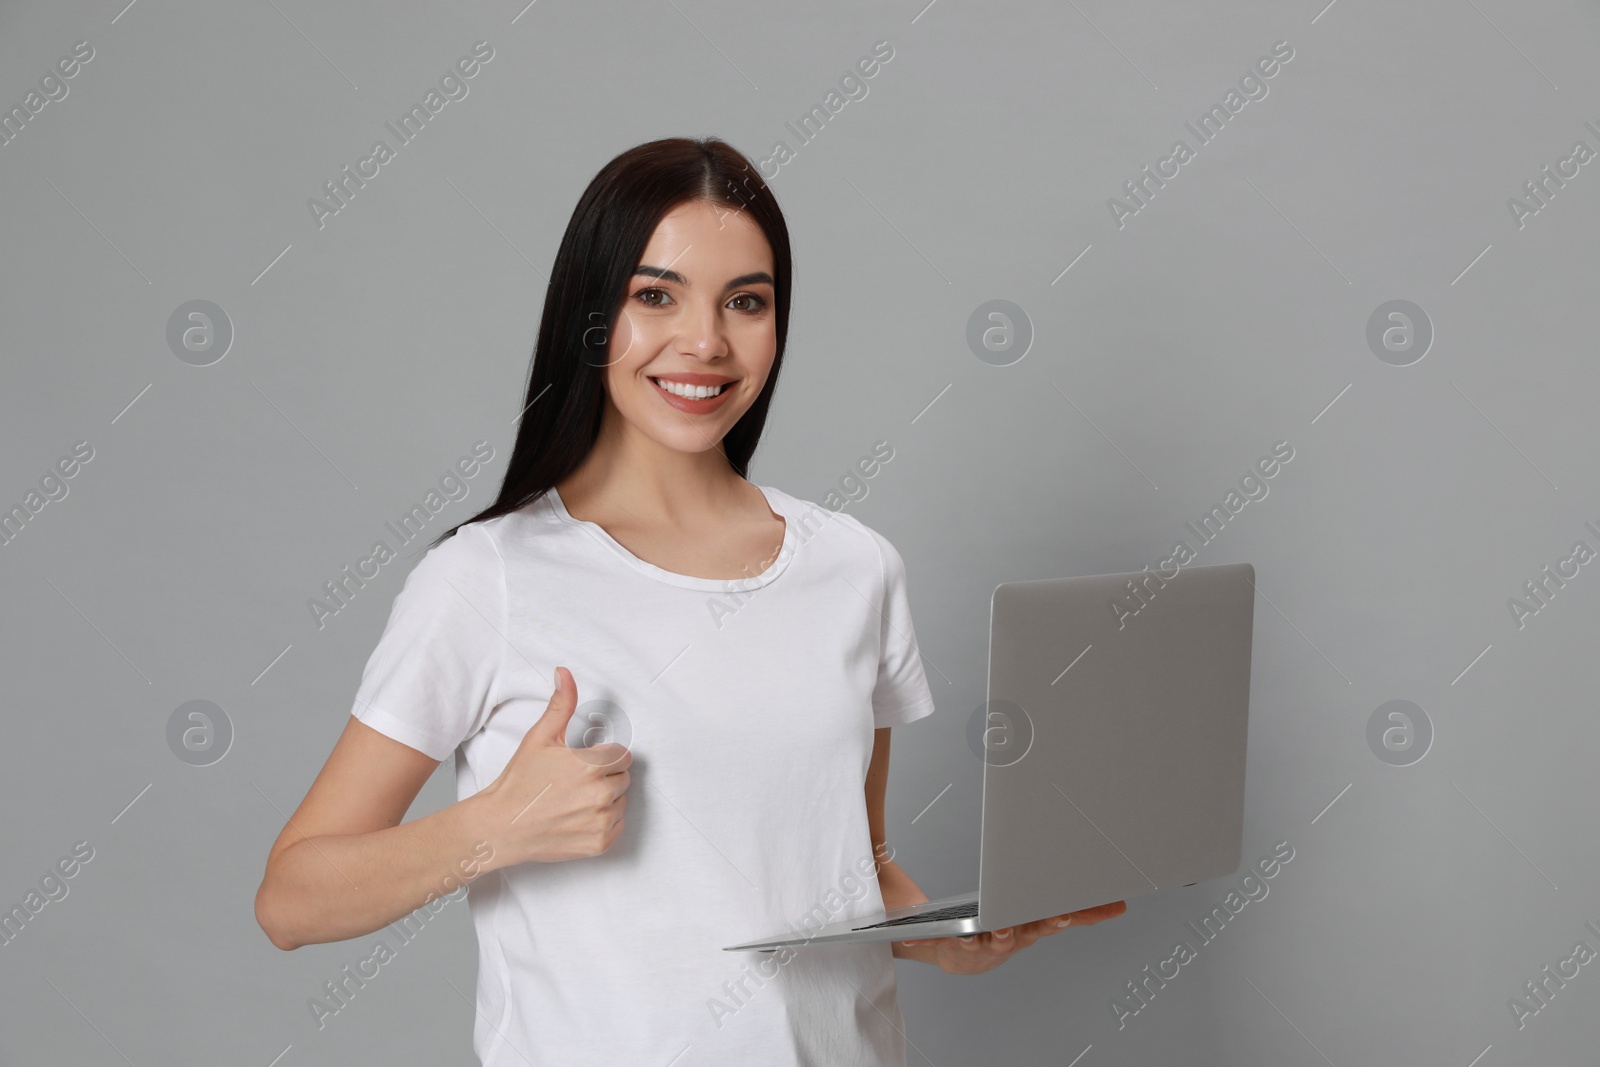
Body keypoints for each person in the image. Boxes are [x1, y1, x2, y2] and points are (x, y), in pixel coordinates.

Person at [253, 136, 1124, 1065]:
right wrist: (488, 829)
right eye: (654, 295)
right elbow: (291, 900)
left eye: (745, 301)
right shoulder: (488, 579)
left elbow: (851, 864)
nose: (705, 342)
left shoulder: (855, 567)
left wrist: (945, 932)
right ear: (593, 315)